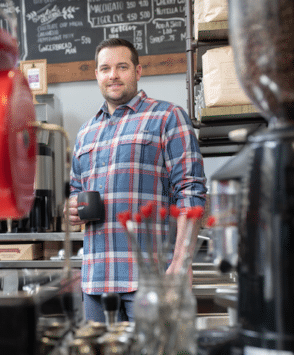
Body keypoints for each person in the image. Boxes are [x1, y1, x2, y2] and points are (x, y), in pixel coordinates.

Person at [65, 38, 207, 322]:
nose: (113, 75)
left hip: (151, 279)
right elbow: (76, 192)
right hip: (96, 280)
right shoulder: (85, 133)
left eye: (122, 67)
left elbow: (191, 191)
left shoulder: (168, 116)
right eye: (105, 68)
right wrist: (72, 209)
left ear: (138, 71)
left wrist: (181, 262)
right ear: (97, 75)